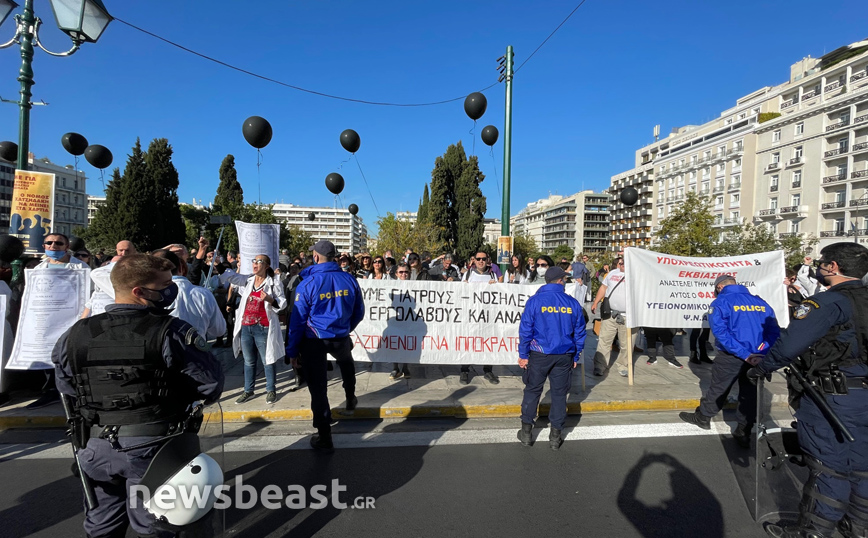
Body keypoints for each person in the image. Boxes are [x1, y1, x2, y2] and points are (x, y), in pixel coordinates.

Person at [51, 254, 224, 538]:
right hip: (156, 448)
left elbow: (67, 387)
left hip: (95, 447)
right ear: (139, 291)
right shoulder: (172, 331)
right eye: (165, 285)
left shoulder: (76, 333)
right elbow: (210, 385)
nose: (172, 289)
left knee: (101, 524)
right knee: (159, 525)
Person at [749, 243, 868, 538]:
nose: (819, 266)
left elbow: (790, 344)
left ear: (833, 266)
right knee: (862, 463)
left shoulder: (828, 302)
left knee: (829, 465)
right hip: (863, 395)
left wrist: (762, 368)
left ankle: (813, 530)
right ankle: (858, 524)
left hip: (833, 395)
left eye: (822, 261)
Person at [679, 274, 780, 447]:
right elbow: (774, 332)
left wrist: (744, 353)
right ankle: (744, 430)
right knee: (750, 393)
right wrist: (761, 351)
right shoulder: (761, 302)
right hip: (758, 356)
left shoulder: (721, 302)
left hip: (732, 356)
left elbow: (721, 333)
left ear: (719, 287)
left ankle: (704, 417)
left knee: (719, 387)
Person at [285, 240, 364, 452]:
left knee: (318, 388)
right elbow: (359, 311)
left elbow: (297, 322)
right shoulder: (349, 279)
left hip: (314, 339)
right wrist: (345, 328)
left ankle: (324, 435)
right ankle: (350, 396)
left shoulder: (308, 283)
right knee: (346, 363)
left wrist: (292, 350)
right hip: (340, 336)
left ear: (316, 257)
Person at [517, 267, 586, 450]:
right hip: (564, 355)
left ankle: (526, 432)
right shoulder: (572, 303)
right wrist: (576, 355)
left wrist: (523, 355)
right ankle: (555, 436)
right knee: (559, 394)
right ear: (559, 280)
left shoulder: (535, 301)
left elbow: (525, 330)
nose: (565, 282)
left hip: (539, 354)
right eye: (564, 279)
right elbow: (580, 332)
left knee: (532, 390)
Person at [219, 254, 287, 405]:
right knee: (248, 361)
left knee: (267, 360)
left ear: (266, 266)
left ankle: (270, 390)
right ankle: (248, 391)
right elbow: (231, 277)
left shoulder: (273, 282)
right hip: (246, 326)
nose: (255, 263)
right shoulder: (248, 280)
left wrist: (270, 299)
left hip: (263, 327)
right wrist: (218, 263)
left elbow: (282, 302)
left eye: (259, 261)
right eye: (254, 261)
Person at [152, 250, 226, 342]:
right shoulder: (203, 294)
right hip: (195, 348)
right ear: (181, 268)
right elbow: (219, 330)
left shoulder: (149, 295)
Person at [460, 251, 500, 384]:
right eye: (478, 259)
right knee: (469, 342)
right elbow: (460, 294)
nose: (481, 261)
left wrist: (496, 286)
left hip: (488, 316)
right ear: (474, 260)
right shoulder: (468, 274)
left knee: (488, 342)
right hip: (471, 316)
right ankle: (464, 370)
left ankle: (488, 370)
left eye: (483, 259)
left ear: (488, 260)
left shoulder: (493, 275)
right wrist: (464, 285)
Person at [591, 257, 633, 377]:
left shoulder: (636, 275)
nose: (622, 264)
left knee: (627, 344)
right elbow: (603, 288)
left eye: (624, 262)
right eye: (621, 262)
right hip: (610, 314)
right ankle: (600, 366)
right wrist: (595, 302)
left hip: (628, 316)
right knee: (604, 341)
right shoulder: (612, 273)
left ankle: (623, 365)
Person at [390, 264, 413, 379]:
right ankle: (395, 368)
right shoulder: (391, 286)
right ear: (396, 274)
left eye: (406, 272)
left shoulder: (415, 286)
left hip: (409, 319)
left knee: (406, 343)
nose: (404, 274)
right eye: (401, 272)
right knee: (394, 342)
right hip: (395, 318)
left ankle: (405, 367)